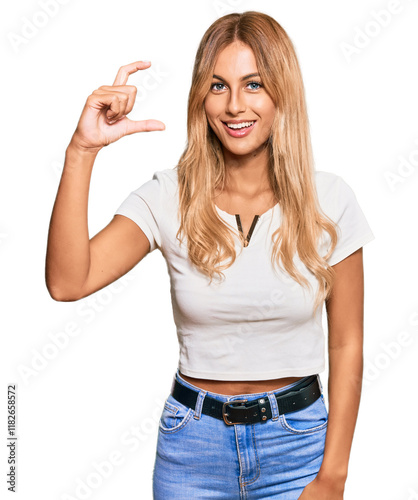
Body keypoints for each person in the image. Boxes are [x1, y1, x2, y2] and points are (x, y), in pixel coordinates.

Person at [45, 10, 375, 500]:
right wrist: (81, 150)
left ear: (281, 92)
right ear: (201, 96)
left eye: (254, 84)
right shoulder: (168, 197)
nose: (235, 105)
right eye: (218, 86)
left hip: (298, 451)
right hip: (192, 454)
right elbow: (68, 282)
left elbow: (347, 346)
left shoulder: (330, 201)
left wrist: (333, 476)